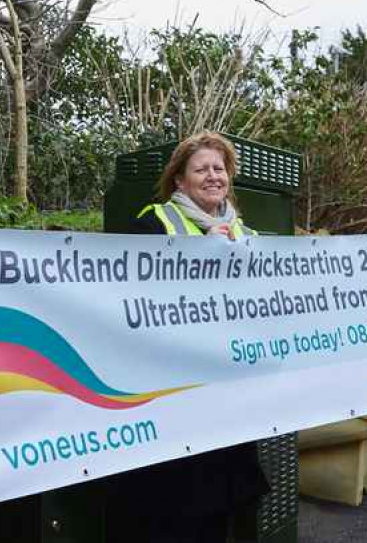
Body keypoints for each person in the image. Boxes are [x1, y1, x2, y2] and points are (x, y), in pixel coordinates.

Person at [105, 131, 269, 543]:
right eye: (201, 169)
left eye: (219, 168)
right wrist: (195, 260)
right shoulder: (151, 222)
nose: (213, 176)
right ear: (179, 181)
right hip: (172, 397)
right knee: (173, 514)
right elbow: (125, 293)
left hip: (228, 394)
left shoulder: (246, 234)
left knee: (220, 510)